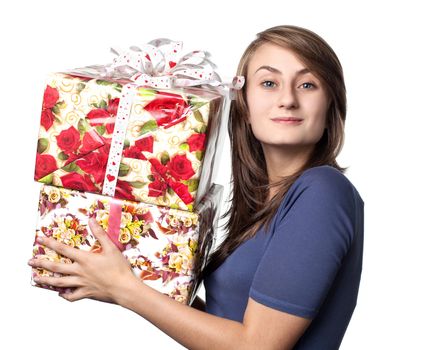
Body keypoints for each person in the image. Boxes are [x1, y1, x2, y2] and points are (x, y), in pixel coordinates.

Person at [28, 25, 364, 349]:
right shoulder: (267, 202)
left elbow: (258, 346)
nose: (287, 99)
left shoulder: (322, 190)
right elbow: (228, 327)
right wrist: (123, 279)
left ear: (331, 104)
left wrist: (126, 288)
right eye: (269, 82)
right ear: (243, 104)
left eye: (307, 85)